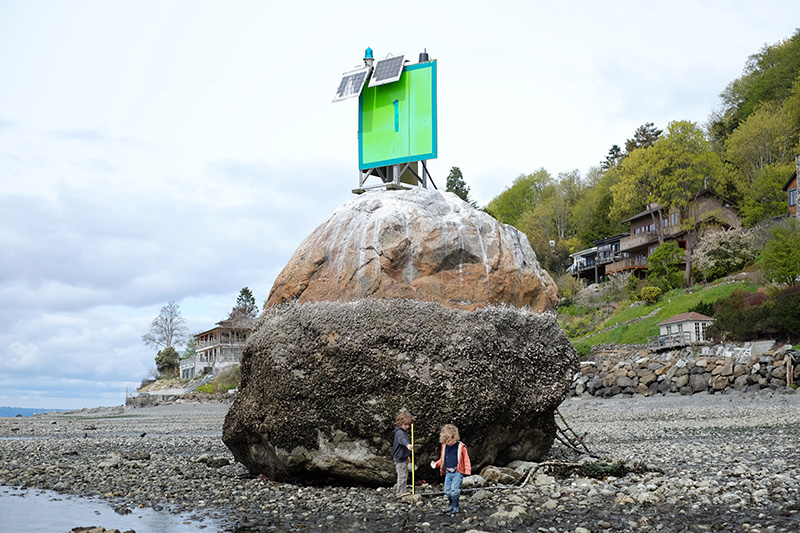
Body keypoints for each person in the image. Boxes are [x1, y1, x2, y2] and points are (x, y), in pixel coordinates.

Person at [430, 424, 471, 515]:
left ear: (454, 437)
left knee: (454, 491)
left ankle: (456, 506)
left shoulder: (461, 446)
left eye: (449, 440)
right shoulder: (445, 446)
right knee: (447, 491)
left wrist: (467, 470)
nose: (448, 443)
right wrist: (436, 464)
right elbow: (443, 459)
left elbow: (466, 459)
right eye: (446, 441)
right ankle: (451, 505)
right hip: (448, 472)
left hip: (457, 472)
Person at [392, 411, 414, 498]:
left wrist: (407, 455)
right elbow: (402, 441)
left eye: (408, 425)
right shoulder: (399, 433)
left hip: (403, 457)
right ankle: (399, 492)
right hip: (399, 458)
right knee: (402, 475)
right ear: (400, 423)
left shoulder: (404, 432)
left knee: (405, 474)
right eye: (405, 424)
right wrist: (408, 445)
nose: (407, 427)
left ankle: (403, 490)